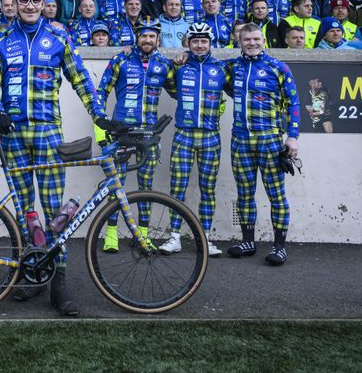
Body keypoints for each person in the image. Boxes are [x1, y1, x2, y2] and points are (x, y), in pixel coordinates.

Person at [0, 0, 108, 316]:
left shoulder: (58, 36)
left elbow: (81, 78)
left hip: (48, 131)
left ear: (44, 4)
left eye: (36, 0)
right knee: (26, 208)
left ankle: (60, 281)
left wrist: (99, 117)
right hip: (13, 135)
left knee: (53, 210)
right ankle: (33, 271)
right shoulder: (1, 38)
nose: (30, 5)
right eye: (24, 0)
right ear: (15, 3)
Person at [224, 24, 300, 265]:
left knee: (276, 195)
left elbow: (294, 103)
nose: (252, 43)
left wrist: (293, 136)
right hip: (240, 139)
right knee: (244, 194)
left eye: (256, 39)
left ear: (264, 40)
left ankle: (279, 247)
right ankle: (248, 242)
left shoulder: (278, 67)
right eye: (247, 39)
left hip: (269, 139)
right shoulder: (232, 67)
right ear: (239, 41)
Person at [96, 17, 174, 252]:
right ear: (136, 37)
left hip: (148, 134)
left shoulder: (164, 64)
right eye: (143, 35)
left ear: (158, 39)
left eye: (151, 36)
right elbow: (101, 91)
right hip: (121, 132)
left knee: (145, 187)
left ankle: (143, 234)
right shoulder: (120, 59)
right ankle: (111, 234)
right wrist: (101, 124)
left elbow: (179, 91)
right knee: (116, 184)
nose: (147, 40)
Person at [158, 22, 227, 256]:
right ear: (188, 43)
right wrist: (175, 60)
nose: (199, 45)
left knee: (208, 189)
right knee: (178, 188)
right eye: (194, 41)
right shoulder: (179, 66)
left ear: (210, 43)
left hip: (210, 136)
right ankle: (174, 237)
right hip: (184, 133)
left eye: (203, 41)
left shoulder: (221, 68)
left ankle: (205, 238)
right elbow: (163, 79)